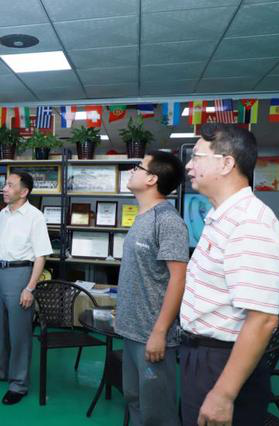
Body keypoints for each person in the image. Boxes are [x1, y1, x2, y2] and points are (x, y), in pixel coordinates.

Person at [180, 123, 279, 426]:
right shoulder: (222, 217)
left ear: (227, 163)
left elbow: (263, 319)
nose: (188, 165)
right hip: (202, 357)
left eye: (197, 156)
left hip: (223, 364)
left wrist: (224, 394)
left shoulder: (250, 223)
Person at [115, 151, 189, 426]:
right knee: (134, 400)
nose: (132, 170)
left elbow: (178, 279)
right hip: (131, 330)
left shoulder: (167, 220)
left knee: (158, 414)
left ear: (151, 179)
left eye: (138, 167)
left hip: (153, 335)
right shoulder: (143, 216)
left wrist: (159, 333)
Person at [0, 172, 52, 405]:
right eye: (5, 184)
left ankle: (18, 384)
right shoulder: (3, 214)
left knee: (19, 332)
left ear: (24, 191)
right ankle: (0, 370)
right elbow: (0, 246)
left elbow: (41, 256)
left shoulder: (35, 216)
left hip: (21, 274)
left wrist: (30, 288)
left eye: (10, 185)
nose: (4, 188)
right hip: (0, 272)